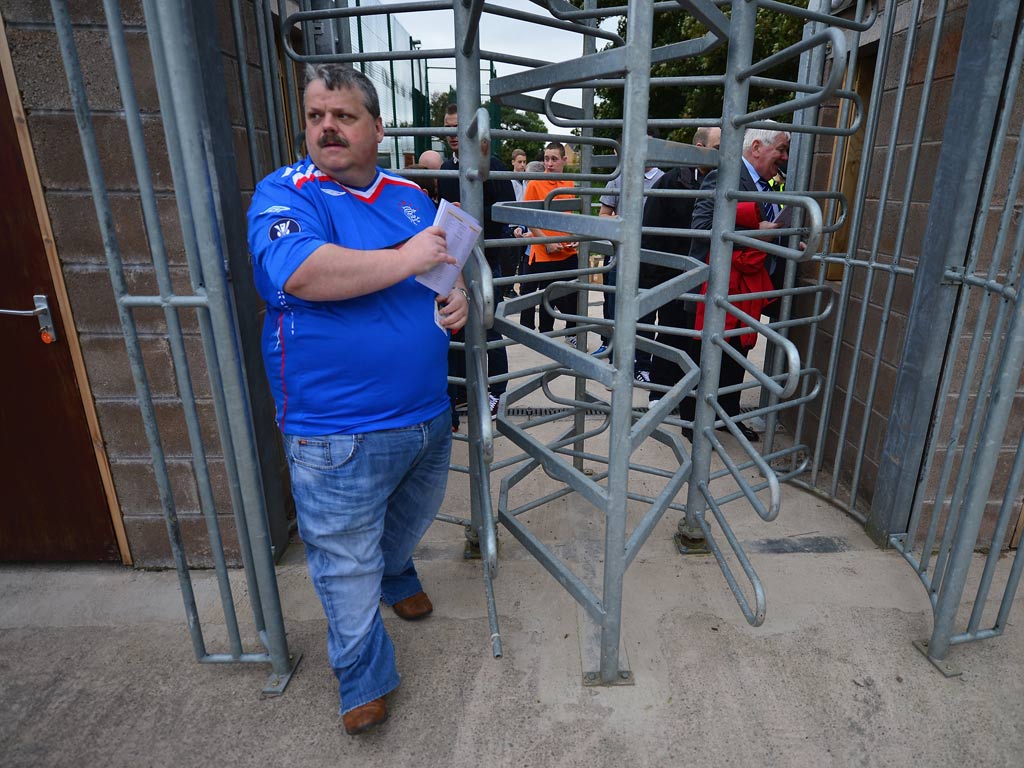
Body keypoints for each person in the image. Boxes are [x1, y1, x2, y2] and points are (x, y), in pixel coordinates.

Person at [246, 63, 468, 736]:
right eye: (316, 116)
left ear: (378, 128)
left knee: (409, 518)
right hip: (334, 429)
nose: (327, 127)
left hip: (426, 414)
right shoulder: (287, 193)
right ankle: (363, 678)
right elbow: (303, 272)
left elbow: (441, 269)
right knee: (345, 560)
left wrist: (456, 296)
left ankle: (397, 574)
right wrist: (407, 258)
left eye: (343, 116)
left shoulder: (408, 195)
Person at [684, 125, 790, 441]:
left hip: (744, 289)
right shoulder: (724, 176)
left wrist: (781, 240)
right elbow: (703, 226)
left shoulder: (767, 184)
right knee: (704, 357)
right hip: (714, 287)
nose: (785, 158)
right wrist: (760, 232)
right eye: (781, 150)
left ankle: (727, 416)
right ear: (757, 147)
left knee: (735, 354)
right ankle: (693, 425)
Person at [436, 104, 516, 418]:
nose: (452, 135)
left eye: (458, 127)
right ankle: (466, 391)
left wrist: (472, 213)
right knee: (457, 329)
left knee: (488, 328)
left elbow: (505, 214)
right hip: (454, 263)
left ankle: (498, 392)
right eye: (447, 127)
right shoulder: (444, 168)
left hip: (486, 261)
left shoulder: (492, 165)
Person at [639, 126, 720, 396]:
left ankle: (693, 397)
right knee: (671, 337)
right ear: (698, 147)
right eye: (717, 149)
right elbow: (650, 234)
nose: (722, 157)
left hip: (710, 283)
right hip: (673, 279)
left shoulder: (728, 185)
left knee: (700, 342)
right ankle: (660, 394)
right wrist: (655, 285)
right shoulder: (671, 183)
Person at [598, 130, 666, 369]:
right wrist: (621, 223)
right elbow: (603, 216)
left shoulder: (665, 181)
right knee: (615, 310)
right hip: (620, 258)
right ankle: (617, 366)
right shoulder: (618, 178)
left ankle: (642, 365)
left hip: (651, 260)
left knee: (646, 314)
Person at [522, 142, 580, 336]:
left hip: (567, 252)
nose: (549, 163)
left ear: (564, 160)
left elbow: (570, 216)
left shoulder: (570, 184)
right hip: (545, 253)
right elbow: (527, 217)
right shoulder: (535, 184)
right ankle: (546, 337)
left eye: (554, 159)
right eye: (546, 158)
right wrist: (545, 241)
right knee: (546, 298)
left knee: (573, 297)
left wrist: (575, 236)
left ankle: (572, 335)